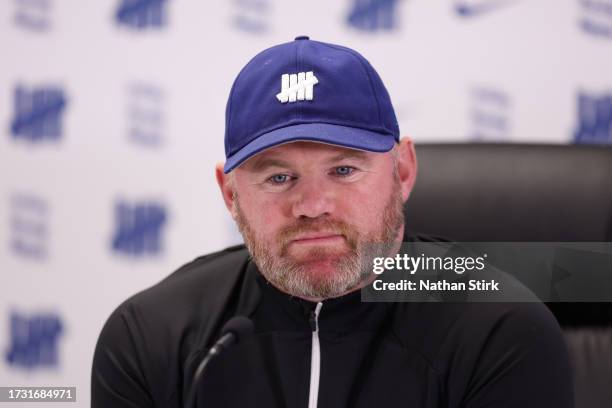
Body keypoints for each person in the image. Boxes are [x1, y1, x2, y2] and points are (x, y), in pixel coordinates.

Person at [91, 37, 573, 407]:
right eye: (279, 177)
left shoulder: (498, 329)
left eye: (343, 170)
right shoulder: (152, 338)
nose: (312, 204)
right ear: (230, 194)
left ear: (402, 171)